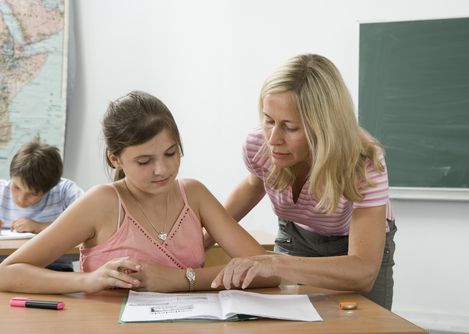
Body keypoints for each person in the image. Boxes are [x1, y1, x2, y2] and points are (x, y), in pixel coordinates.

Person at [0, 91, 278, 294]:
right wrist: (87, 280)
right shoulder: (101, 202)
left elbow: (268, 271)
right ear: (115, 160)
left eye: (171, 153)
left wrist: (183, 279)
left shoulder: (194, 194)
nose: (162, 170)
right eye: (144, 161)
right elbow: (6, 273)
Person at [209, 54, 397, 310]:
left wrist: (275, 262)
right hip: (296, 236)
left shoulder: (363, 161)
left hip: (353, 246)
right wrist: (199, 240)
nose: (273, 138)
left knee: (367, 324)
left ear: (324, 127)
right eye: (268, 120)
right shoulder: (259, 145)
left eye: (290, 127)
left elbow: (363, 271)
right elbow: (254, 186)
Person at [0, 139, 84, 271]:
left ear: (48, 189)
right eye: (16, 187)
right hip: (5, 266)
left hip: (54, 267)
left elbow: (88, 225)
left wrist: (39, 227)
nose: (21, 199)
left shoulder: (64, 191)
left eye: (32, 194)